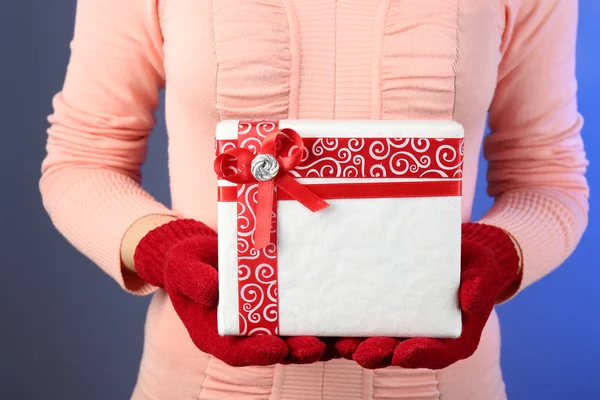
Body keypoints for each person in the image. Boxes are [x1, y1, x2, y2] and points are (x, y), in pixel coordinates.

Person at [40, 0, 588, 398]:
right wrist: (159, 247)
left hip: (444, 387)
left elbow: (549, 176)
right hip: (201, 385)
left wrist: (501, 254)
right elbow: (83, 158)